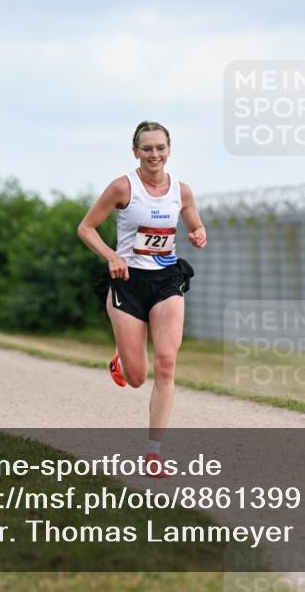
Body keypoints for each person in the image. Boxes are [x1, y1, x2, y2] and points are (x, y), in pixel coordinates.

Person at [78, 121, 207, 478]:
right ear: (135, 151)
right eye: (147, 148)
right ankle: (122, 360)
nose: (154, 155)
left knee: (166, 364)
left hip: (166, 280)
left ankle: (153, 452)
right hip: (128, 282)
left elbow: (194, 223)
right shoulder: (123, 187)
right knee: (137, 378)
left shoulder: (181, 191)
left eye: (160, 148)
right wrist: (112, 256)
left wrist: (198, 233)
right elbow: (86, 228)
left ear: (170, 150)